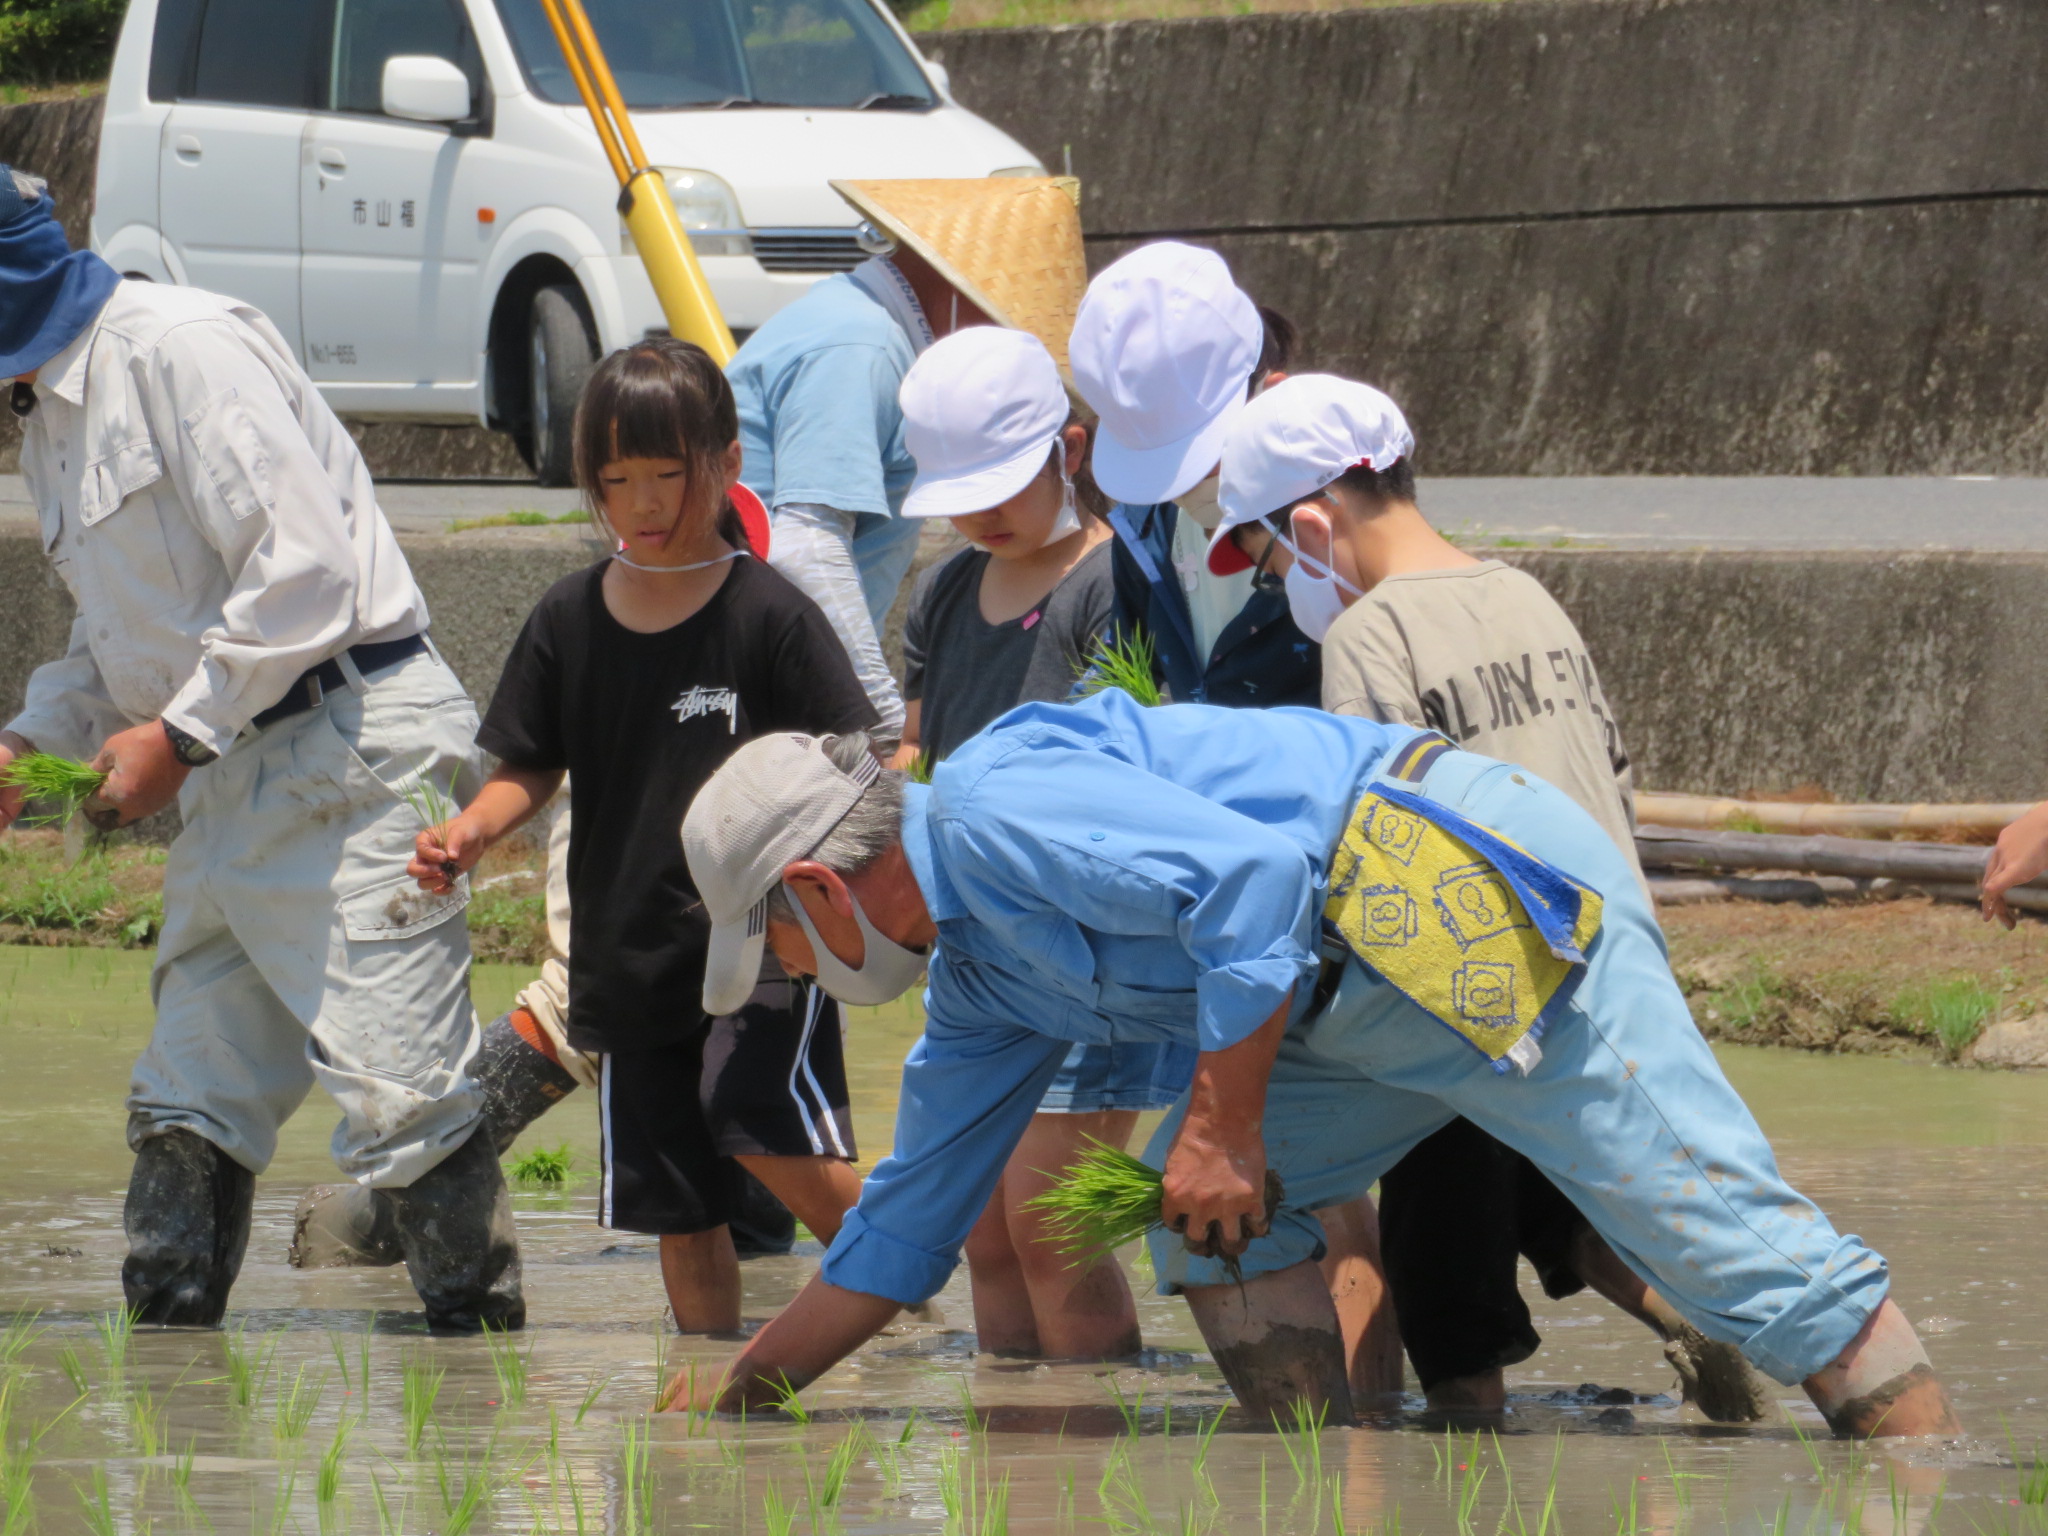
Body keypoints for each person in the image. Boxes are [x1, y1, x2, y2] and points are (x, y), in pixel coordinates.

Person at [672, 695, 1960, 1439]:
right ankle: (1314, 1476)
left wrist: (1224, 1128)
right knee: (1204, 1227)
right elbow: (902, 1226)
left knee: (1726, 1238)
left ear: (810, 888)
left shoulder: (1000, 806)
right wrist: (740, 1396)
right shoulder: (982, 983)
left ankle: (1924, 1471)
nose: (789, 974)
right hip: (1331, 1007)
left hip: (1448, 895)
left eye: (776, 946)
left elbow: (1255, 881)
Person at [0, 165, 520, 1331]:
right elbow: (119, 635)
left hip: (352, 753)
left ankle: (475, 1388)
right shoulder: (46, 412)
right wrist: (32, 740)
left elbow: (307, 572)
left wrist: (177, 740)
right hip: (236, 766)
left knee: (403, 1095)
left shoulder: (181, 352)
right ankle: (170, 1390)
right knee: (188, 1095)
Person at [1210, 373, 1773, 1420]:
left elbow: (1381, 842)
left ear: (1307, 525)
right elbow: (1609, 778)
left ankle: (1468, 1457)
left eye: (1260, 556)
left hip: (1480, 988)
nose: (1270, 580)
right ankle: (1697, 1329)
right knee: (1559, 1184)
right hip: (1604, 952)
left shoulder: (1365, 637)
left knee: (1444, 1284)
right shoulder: (1527, 593)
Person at [404, 339, 875, 1334]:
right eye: (616, 482)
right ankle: (708, 1383)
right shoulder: (569, 618)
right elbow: (531, 762)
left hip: (762, 947)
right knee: (679, 1207)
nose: (645, 504)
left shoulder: (770, 616)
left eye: (668, 475)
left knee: (762, 1128)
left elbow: (856, 765)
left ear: (727, 466)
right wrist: (471, 833)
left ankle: (905, 1294)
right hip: (627, 957)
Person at [1071, 241, 1399, 1396]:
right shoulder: (1142, 527)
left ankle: (1366, 1444)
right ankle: (1351, 1463)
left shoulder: (1329, 493)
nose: (1189, 479)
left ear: (1258, 385)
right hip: (1232, 899)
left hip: (1351, 883)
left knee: (1334, 1184)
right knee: (1306, 1173)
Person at [886, 325, 1187, 1359]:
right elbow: (919, 753)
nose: (981, 514)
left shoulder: (1112, 586)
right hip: (981, 955)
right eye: (960, 493)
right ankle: (1015, 1449)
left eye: (1004, 486)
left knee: (1052, 1224)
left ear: (1071, 448)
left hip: (1088, 951)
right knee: (980, 1226)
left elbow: (1143, 776)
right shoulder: (942, 591)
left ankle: (1089, 1453)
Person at [727, 176, 1087, 740]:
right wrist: (883, 724)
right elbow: (806, 543)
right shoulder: (861, 345)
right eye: (1007, 318)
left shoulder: (860, 323)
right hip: (744, 701)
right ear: (959, 287)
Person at [1070, 241, 1319, 710]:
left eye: (1198, 456)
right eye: (1159, 468)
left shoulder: (1337, 532)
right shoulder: (1146, 525)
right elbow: (1121, 667)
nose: (1182, 489)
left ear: (1270, 397)